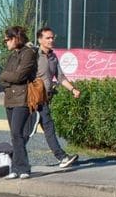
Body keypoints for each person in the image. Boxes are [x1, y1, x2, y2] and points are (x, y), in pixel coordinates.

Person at [29, 27, 79, 168]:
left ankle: (62, 157)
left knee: (49, 128)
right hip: (31, 100)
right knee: (25, 132)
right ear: (40, 40)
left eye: (52, 37)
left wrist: (73, 89)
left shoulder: (53, 56)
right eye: (48, 38)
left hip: (44, 100)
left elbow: (60, 77)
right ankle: (12, 159)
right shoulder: (33, 55)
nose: (51, 40)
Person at [0, 26, 38, 180]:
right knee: (14, 135)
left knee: (17, 133)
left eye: (7, 40)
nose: (5, 43)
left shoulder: (28, 53)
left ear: (15, 38)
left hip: (23, 99)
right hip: (10, 99)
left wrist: (8, 77)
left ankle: (23, 167)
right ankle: (15, 167)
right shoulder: (12, 56)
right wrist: (9, 77)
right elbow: (1, 78)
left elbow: (20, 76)